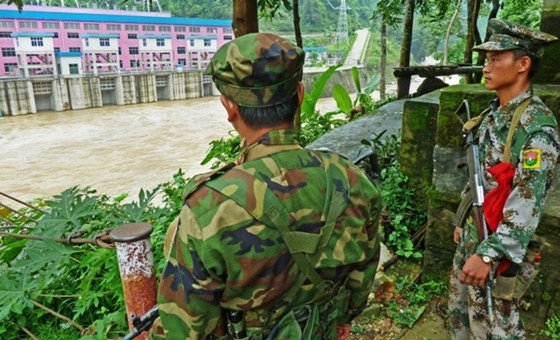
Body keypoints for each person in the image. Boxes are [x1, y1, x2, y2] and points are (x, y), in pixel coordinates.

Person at [151, 33, 381, 339]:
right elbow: (358, 290)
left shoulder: (210, 208)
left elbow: (181, 329)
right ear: (299, 95)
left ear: (229, 107)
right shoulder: (354, 181)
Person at [448, 19, 560, 339]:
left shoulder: (537, 128)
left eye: (496, 58)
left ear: (523, 63)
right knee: (461, 316)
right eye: (486, 59)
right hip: (476, 230)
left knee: (496, 326)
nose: (487, 67)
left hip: (499, 247)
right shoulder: (493, 113)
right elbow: (479, 173)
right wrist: (463, 217)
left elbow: (527, 201)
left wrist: (488, 254)